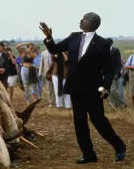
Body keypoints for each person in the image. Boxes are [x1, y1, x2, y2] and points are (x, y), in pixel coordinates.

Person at [39, 12, 126, 164]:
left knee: (98, 121)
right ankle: (88, 154)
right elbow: (54, 49)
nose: (81, 20)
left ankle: (119, 147)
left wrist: (106, 87)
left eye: (84, 19)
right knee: (80, 122)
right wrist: (49, 37)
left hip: (93, 90)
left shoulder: (102, 43)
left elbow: (109, 69)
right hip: (75, 88)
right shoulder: (74, 37)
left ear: (93, 23)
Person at [106, 38, 126, 108]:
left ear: (111, 43)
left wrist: (117, 73)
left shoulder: (115, 50)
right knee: (110, 91)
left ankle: (122, 104)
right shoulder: (104, 51)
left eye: (108, 43)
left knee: (116, 90)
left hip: (116, 74)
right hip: (108, 75)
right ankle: (113, 105)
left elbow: (118, 63)